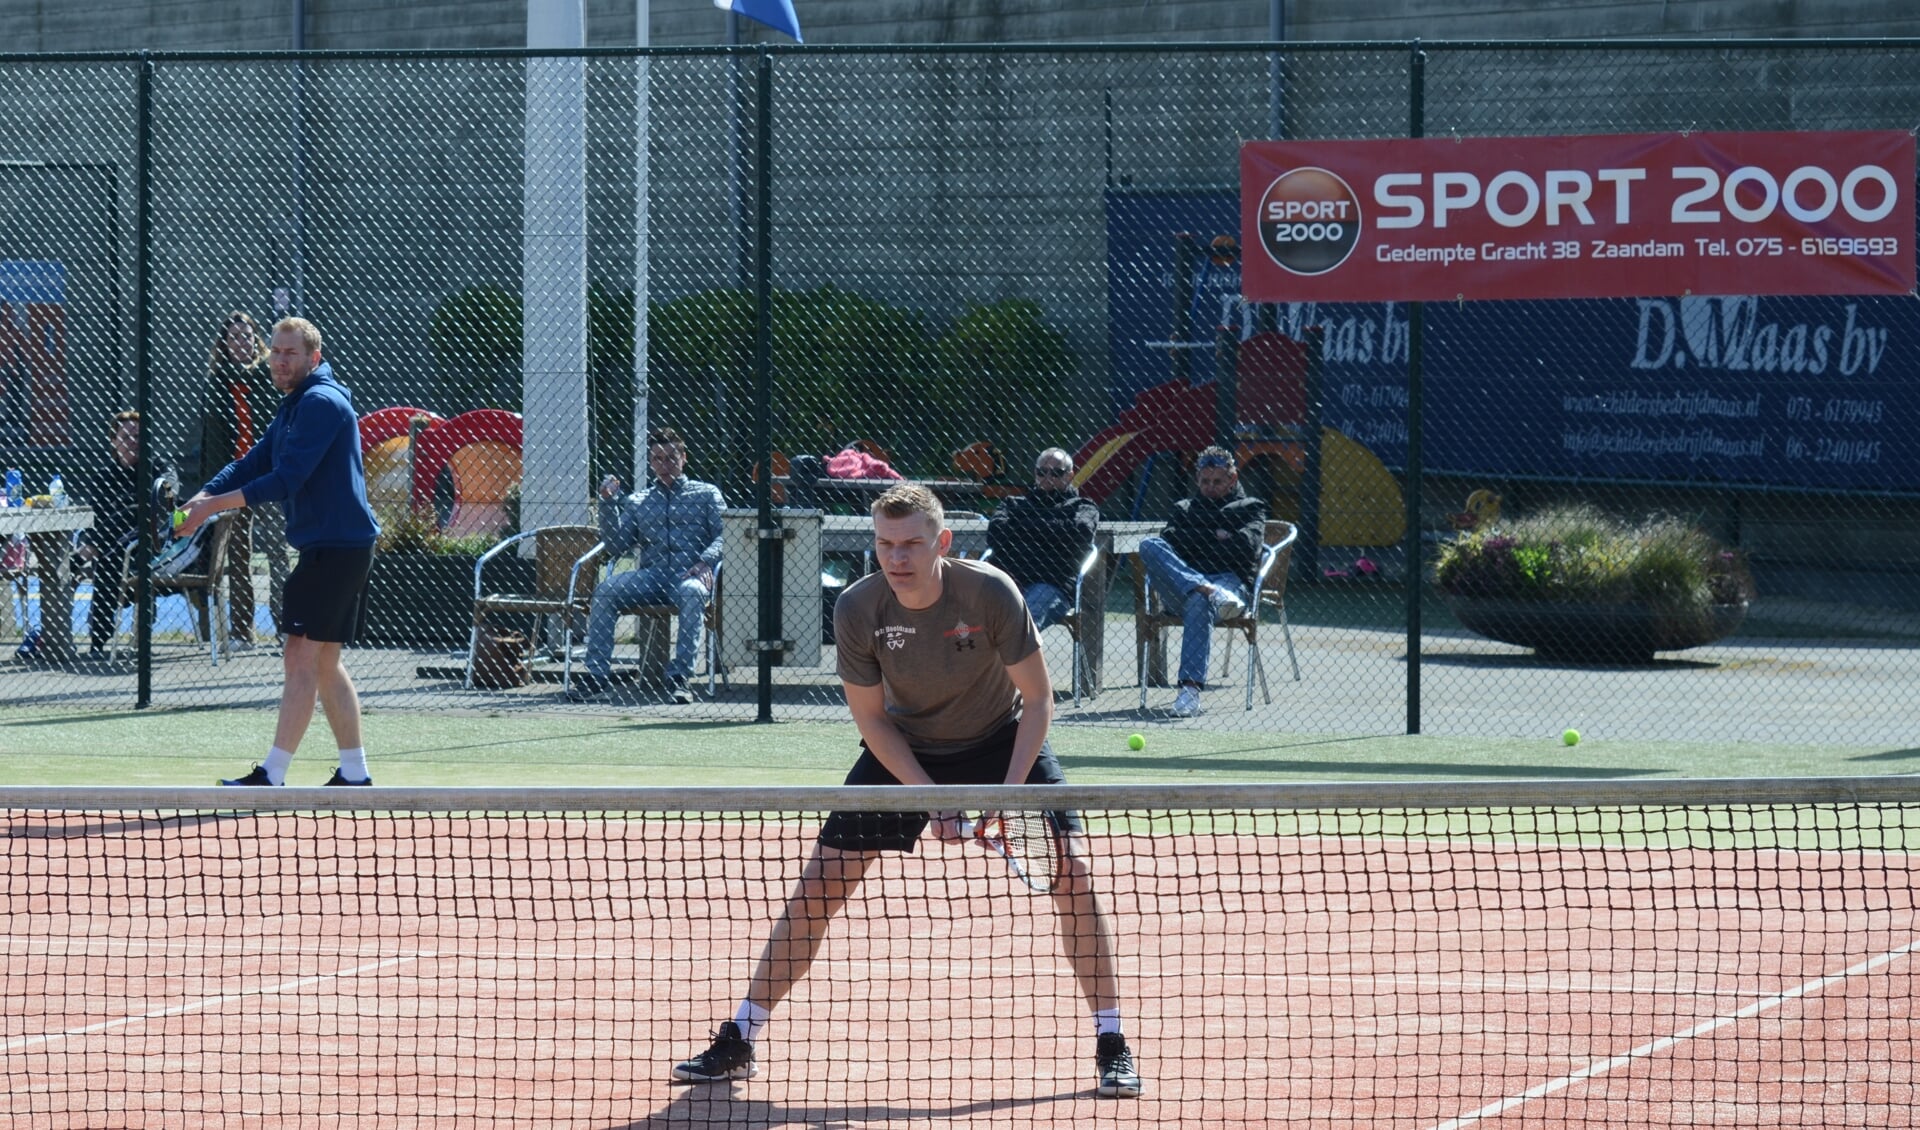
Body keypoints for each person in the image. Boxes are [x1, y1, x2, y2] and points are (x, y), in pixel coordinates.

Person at [669, 483, 1143, 1098]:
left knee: (1072, 874)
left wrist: (1006, 793)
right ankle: (741, 1036)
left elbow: (1038, 699)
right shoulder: (858, 609)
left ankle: (1112, 1041)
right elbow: (871, 721)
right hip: (904, 750)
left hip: (1002, 741)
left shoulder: (989, 591)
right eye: (885, 544)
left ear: (940, 543)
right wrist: (932, 797)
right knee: (820, 886)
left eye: (911, 544)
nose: (897, 557)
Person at [179, 317, 381, 788]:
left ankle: (273, 773)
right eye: (274, 351)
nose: (279, 360)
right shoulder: (293, 407)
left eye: (290, 353)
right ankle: (354, 772)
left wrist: (211, 506)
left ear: (313, 358)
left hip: (337, 548)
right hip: (334, 546)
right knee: (324, 662)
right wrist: (201, 497)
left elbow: (285, 479)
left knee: (299, 656)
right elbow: (252, 462)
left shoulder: (321, 404)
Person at [566, 426, 724, 705]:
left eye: (670, 459)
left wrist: (705, 562)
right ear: (650, 462)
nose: (664, 466)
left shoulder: (707, 494)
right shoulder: (638, 501)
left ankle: (680, 678)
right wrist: (607, 503)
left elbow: (726, 535)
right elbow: (616, 545)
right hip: (652, 576)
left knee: (691, 593)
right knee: (605, 590)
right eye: (657, 459)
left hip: (689, 573)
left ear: (683, 458)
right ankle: (597, 676)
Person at [1135, 445, 1267, 718]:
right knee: (1149, 544)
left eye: (1217, 481)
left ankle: (1189, 692)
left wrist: (1195, 538)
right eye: (1205, 481)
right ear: (1196, 480)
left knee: (1199, 600)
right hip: (1186, 589)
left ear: (1233, 479)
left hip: (1230, 588)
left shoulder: (1251, 507)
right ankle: (1203, 586)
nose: (1210, 487)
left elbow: (1246, 547)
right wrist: (1219, 535)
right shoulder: (1182, 508)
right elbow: (1170, 542)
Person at [188, 311, 290, 647]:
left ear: (256, 340)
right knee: (237, 554)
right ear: (224, 344)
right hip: (236, 481)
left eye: (247, 336)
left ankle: (285, 627)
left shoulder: (271, 377)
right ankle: (242, 631)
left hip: (271, 478)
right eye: (234, 337)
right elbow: (210, 441)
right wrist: (212, 486)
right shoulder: (216, 383)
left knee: (278, 552)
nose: (241, 343)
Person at [985, 446, 1098, 632]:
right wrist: (1055, 531)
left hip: (1052, 585)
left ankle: (1005, 660)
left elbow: (1081, 533)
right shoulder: (1013, 503)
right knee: (966, 617)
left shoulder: (1083, 507)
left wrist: (1021, 526)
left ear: (1069, 475)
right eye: (1042, 472)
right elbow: (996, 533)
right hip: (1008, 581)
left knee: (1023, 623)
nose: (1048, 477)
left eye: (1056, 473)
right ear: (1035, 473)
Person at [77, 411, 150, 657]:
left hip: (149, 544)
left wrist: (94, 543)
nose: (133, 441)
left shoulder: (158, 469)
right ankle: (52, 636)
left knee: (133, 512)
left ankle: (83, 556)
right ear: (113, 440)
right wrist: (88, 539)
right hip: (113, 546)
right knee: (107, 555)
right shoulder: (102, 477)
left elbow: (165, 503)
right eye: (126, 436)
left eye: (138, 436)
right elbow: (93, 517)